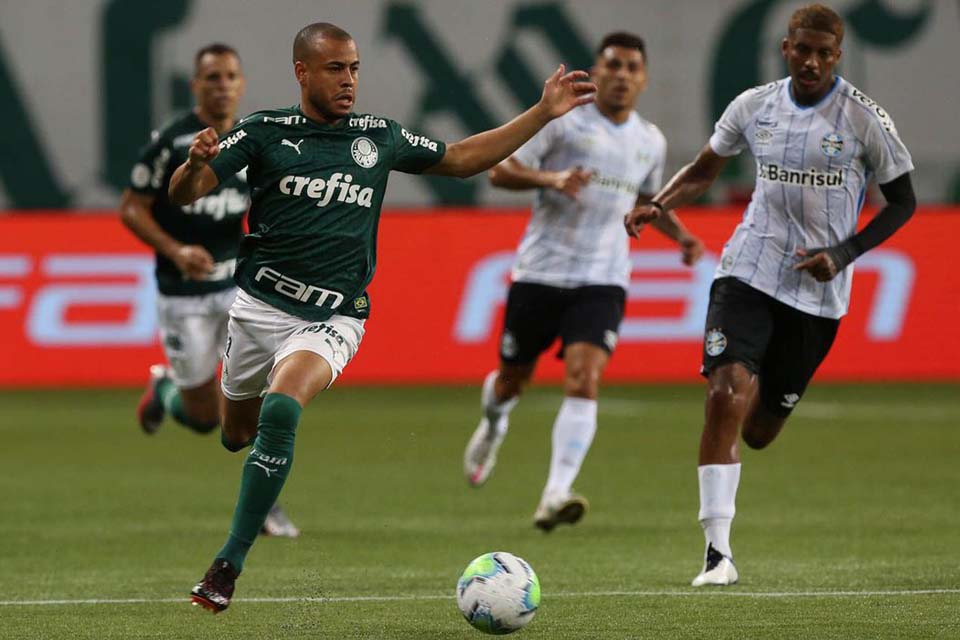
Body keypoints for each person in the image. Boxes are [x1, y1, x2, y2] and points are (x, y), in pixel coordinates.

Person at [167, 22, 600, 613]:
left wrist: (540, 113)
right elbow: (183, 194)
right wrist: (194, 165)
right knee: (234, 433)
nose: (348, 81)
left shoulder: (379, 137)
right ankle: (168, 394)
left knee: (281, 407)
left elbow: (462, 159)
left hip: (334, 315)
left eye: (354, 68)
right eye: (334, 69)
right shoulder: (264, 132)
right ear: (302, 72)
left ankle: (228, 563)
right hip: (258, 309)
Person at [624, 3, 916, 586]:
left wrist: (844, 254)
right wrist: (661, 204)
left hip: (818, 294)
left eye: (822, 53)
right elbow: (706, 169)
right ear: (786, 48)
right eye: (800, 49)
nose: (810, 61)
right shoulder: (755, 106)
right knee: (725, 392)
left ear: (837, 57)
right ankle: (717, 553)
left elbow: (903, 201)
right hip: (748, 269)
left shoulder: (863, 120)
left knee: (758, 431)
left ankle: (758, 422)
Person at [463, 32, 705, 532]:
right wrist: (551, 180)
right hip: (541, 272)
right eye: (612, 64)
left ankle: (555, 493)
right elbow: (499, 173)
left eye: (631, 66)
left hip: (603, 278)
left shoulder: (650, 140)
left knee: (584, 377)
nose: (621, 74)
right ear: (596, 73)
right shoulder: (564, 123)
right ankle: (493, 423)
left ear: (644, 78)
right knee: (512, 380)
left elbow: (644, 199)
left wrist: (679, 235)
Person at [120, 43, 300, 539]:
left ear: (242, 84)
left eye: (230, 76)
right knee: (204, 417)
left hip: (239, 288)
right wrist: (177, 250)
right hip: (182, 294)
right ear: (195, 85)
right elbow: (131, 207)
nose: (222, 85)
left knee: (257, 395)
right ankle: (163, 389)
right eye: (212, 77)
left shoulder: (252, 139)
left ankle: (266, 503)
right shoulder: (172, 143)